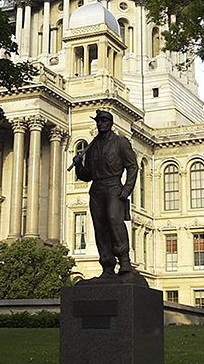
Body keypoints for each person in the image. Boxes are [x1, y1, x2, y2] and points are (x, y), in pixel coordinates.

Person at [71, 110, 140, 281]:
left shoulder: (120, 142)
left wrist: (126, 189)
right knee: (100, 227)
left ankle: (124, 261)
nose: (100, 124)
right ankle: (107, 266)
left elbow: (132, 166)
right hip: (97, 188)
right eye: (98, 122)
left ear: (110, 123)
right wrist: (79, 165)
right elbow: (87, 175)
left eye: (103, 121)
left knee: (114, 221)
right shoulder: (93, 146)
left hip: (113, 186)